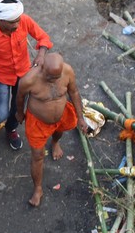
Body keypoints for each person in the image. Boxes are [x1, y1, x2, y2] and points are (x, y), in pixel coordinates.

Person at [0, 0, 52, 151]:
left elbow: (43, 37)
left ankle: (11, 129)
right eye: (12, 22)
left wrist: (41, 54)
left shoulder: (24, 20)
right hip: (1, 76)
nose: (17, 24)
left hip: (23, 74)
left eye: (18, 21)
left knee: (17, 109)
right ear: (1, 20)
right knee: (1, 112)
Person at [15, 53, 89, 207]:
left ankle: (55, 142)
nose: (53, 80)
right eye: (50, 77)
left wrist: (80, 117)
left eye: (57, 77)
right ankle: (38, 188)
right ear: (42, 67)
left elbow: (74, 92)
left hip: (61, 116)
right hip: (37, 122)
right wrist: (20, 113)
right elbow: (20, 97)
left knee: (59, 132)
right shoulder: (29, 80)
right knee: (37, 155)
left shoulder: (67, 71)